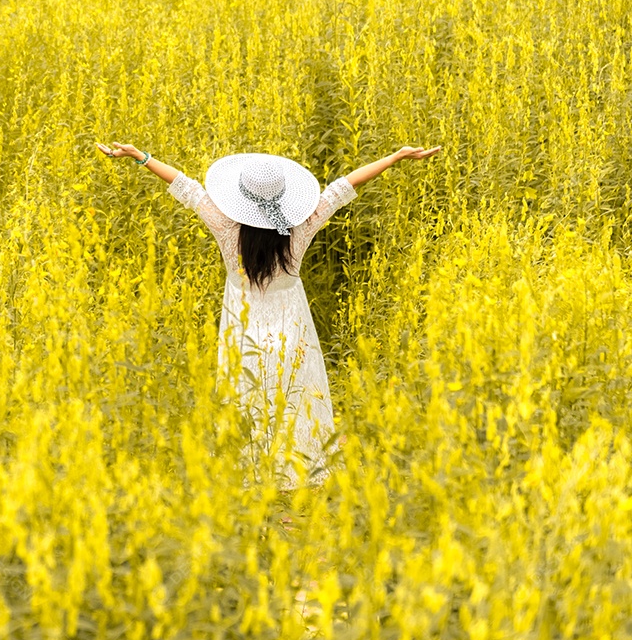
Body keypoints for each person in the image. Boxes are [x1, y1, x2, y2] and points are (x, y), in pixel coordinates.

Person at [96, 141, 441, 490]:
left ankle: (250, 470)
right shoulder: (302, 226)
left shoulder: (225, 226)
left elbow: (186, 187)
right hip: (291, 320)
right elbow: (344, 187)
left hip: (242, 323)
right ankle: (298, 468)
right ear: (282, 198)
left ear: (241, 200)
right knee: (294, 393)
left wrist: (140, 156)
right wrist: (395, 156)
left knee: (247, 393)